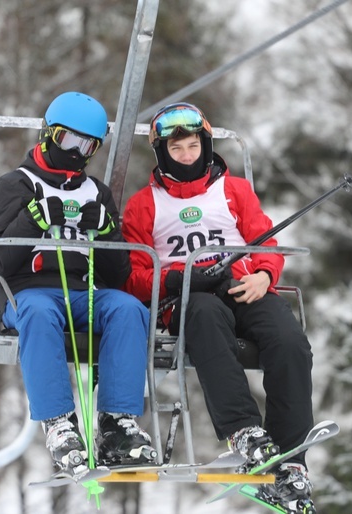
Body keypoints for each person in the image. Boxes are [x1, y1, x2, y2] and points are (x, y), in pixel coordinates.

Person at [122, 102, 315, 511]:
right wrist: (173, 279)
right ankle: (245, 433)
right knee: (206, 318)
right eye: (178, 151)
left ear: (205, 144)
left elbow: (265, 241)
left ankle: (289, 460)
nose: (188, 156)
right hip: (189, 296)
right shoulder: (144, 206)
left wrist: (264, 274)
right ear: (162, 154)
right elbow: (132, 275)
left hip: (243, 285)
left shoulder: (235, 190)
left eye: (194, 146)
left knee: (290, 341)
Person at [0, 92, 155, 475]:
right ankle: (59, 422)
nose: (77, 152)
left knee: (128, 309)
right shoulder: (13, 187)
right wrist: (33, 220)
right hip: (26, 292)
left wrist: (107, 232)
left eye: (88, 145)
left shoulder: (97, 193)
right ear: (47, 135)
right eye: (68, 140)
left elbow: (118, 275)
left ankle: (116, 423)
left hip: (83, 292)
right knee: (39, 311)